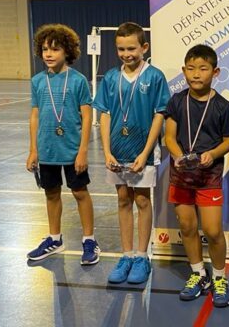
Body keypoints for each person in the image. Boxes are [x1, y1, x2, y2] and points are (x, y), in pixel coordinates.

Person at [92, 22, 170, 284]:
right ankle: (126, 255)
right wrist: (106, 152)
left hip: (143, 152)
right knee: (123, 199)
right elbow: (103, 114)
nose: (127, 54)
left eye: (132, 48)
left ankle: (141, 256)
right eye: (121, 49)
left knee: (142, 201)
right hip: (116, 151)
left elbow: (160, 115)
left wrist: (146, 151)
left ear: (144, 47)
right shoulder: (111, 78)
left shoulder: (154, 77)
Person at [164, 45, 229, 308]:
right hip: (181, 175)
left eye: (203, 69)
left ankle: (219, 278)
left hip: (209, 177)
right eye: (191, 68)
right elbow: (168, 137)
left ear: (215, 72)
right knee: (186, 227)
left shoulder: (222, 105)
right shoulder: (176, 101)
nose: (196, 74)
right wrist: (178, 155)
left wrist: (213, 153)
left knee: (214, 231)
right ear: (184, 71)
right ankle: (198, 274)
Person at [26, 24, 100, 265]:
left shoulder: (78, 81)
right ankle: (55, 239)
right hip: (47, 149)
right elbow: (35, 116)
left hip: (71, 149)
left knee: (79, 192)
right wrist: (33, 150)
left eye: (55, 49)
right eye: (45, 49)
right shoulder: (37, 81)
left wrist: (83, 151)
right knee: (51, 193)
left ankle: (89, 240)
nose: (49, 54)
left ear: (67, 51)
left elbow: (87, 116)